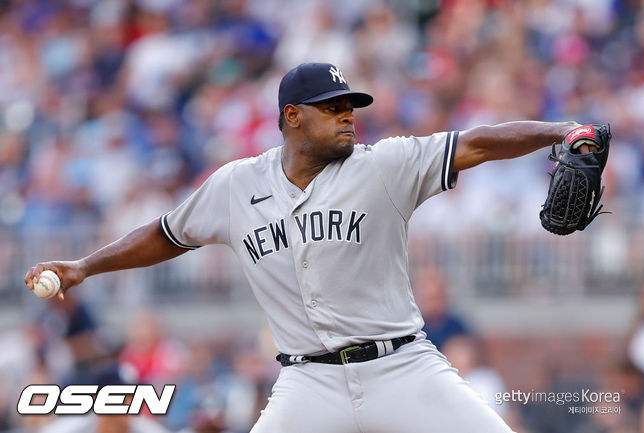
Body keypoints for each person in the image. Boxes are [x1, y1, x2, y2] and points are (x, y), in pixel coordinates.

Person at [26, 62, 601, 432]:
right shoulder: (237, 184)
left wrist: (561, 132)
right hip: (308, 382)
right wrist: (83, 266)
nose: (347, 115)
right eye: (332, 107)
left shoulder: (384, 165)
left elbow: (474, 143)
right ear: (291, 118)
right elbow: (166, 234)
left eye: (349, 105)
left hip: (401, 364)